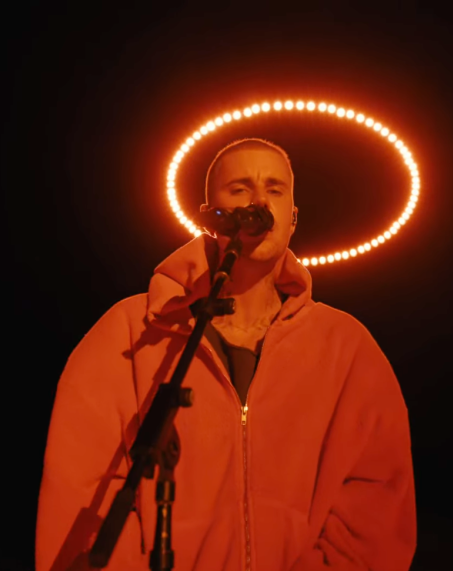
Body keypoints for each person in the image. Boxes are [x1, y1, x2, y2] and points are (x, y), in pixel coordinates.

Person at [35, 138, 417, 571]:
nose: (258, 200)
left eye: (274, 189)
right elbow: (85, 490)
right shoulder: (129, 333)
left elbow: (376, 499)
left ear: (292, 218)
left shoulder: (347, 347)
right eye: (239, 189)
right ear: (210, 216)